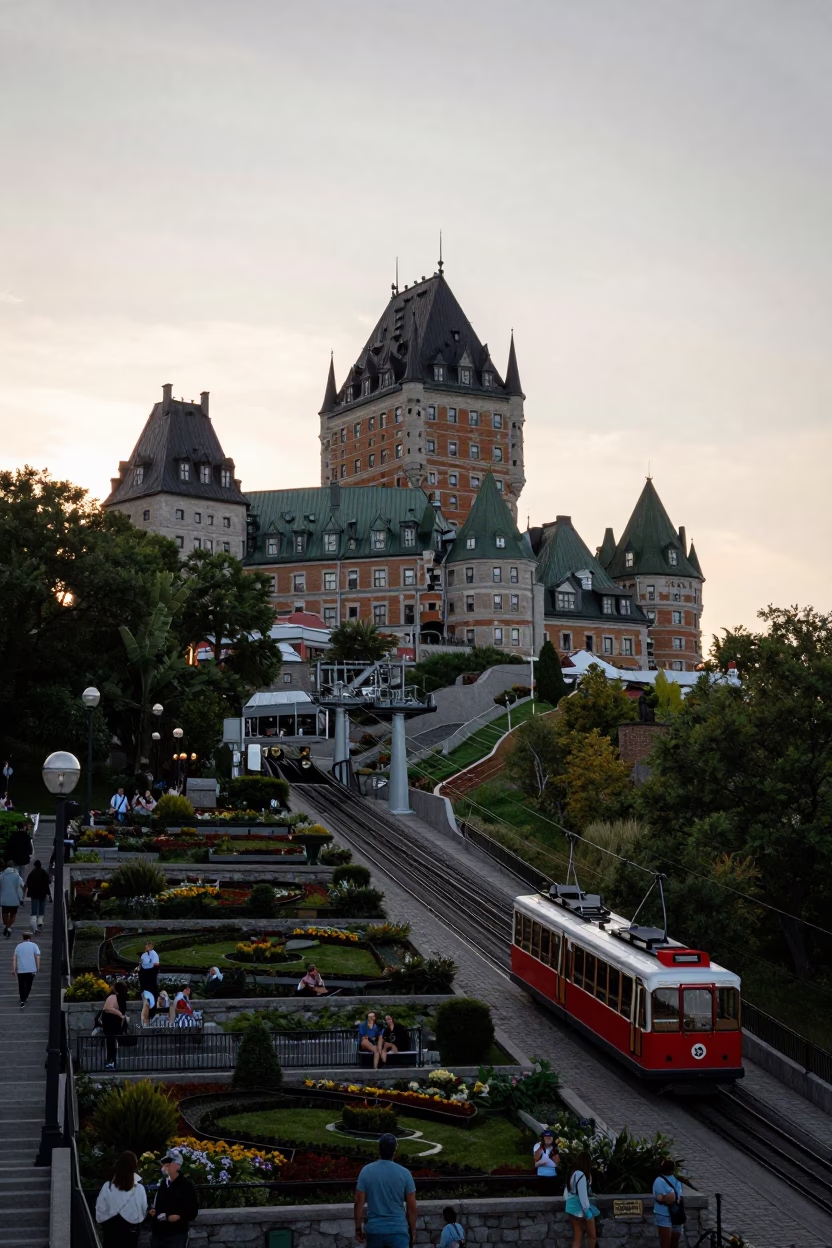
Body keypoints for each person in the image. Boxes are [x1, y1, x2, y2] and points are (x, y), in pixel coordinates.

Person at [354, 1133, 418, 1248]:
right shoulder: (405, 1174)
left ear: (379, 1149)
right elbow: (412, 1207)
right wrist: (412, 1230)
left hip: (375, 1231)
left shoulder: (366, 1171)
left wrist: (358, 1228)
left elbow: (359, 1202)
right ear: (395, 1150)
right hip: (399, 1232)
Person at [95, 1150, 148, 1248]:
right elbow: (143, 1211)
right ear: (134, 1166)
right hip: (130, 1232)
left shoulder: (108, 1186)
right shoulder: (139, 1188)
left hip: (111, 1232)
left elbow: (99, 1210)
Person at [149, 1149, 198, 1247]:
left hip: (177, 1235)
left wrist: (179, 1217)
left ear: (177, 1166)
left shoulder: (186, 1185)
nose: (163, 1168)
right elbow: (156, 1208)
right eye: (164, 1165)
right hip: (159, 1234)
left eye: (167, 1164)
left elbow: (192, 1211)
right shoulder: (163, 1184)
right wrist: (162, 1216)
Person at [564, 1150, 598, 1248]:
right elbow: (583, 1197)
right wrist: (586, 1211)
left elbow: (566, 1193)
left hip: (571, 1208)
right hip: (581, 1209)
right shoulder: (581, 1175)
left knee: (577, 1239)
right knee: (592, 1237)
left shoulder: (572, 1173)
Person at [652, 1157, 684, 1247]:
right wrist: (668, 1198)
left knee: (667, 1243)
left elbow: (670, 1199)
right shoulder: (676, 1181)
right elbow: (675, 1198)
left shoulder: (658, 1181)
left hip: (668, 1214)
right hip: (670, 1215)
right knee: (671, 1244)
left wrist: (665, 1197)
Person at [102, 981, 128, 1069]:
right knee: (110, 1042)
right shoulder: (113, 996)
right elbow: (107, 1008)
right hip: (110, 1021)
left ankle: (113, 1061)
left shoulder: (120, 997)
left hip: (115, 1022)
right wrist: (120, 1014)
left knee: (112, 1042)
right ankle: (111, 1061)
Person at [13, 930, 40, 1008]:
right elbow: (37, 957)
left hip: (21, 969)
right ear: (30, 938)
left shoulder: (18, 946)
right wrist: (38, 967)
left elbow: (14, 958)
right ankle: (25, 996)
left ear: (23, 938)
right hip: (31, 968)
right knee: (29, 984)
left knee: (21, 984)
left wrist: (14, 969)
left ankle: (22, 998)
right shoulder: (34, 945)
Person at [25, 859, 51, 932]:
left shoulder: (32, 873)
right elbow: (48, 883)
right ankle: (40, 922)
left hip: (34, 893)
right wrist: (49, 893)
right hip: (42, 893)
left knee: (34, 909)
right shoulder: (44, 873)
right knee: (41, 908)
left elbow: (28, 883)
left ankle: (33, 923)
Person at [0, 861, 24, 938]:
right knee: (13, 914)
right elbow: (20, 888)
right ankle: (8, 927)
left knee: (4, 913)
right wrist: (21, 898)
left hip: (4, 899)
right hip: (14, 899)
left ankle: (6, 926)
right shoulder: (17, 876)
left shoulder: (2, 876)